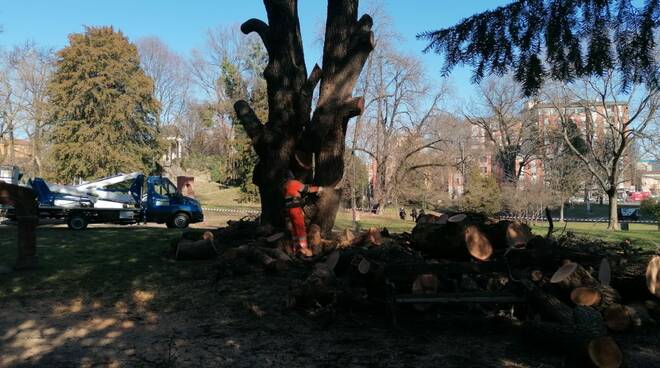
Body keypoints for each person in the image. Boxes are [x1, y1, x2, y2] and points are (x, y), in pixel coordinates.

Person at [283, 171, 321, 257]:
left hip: (288, 210)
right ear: (291, 177)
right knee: (300, 229)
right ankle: (304, 250)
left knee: (294, 231)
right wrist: (318, 188)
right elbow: (307, 189)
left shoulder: (284, 185)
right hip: (295, 209)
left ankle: (295, 250)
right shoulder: (293, 183)